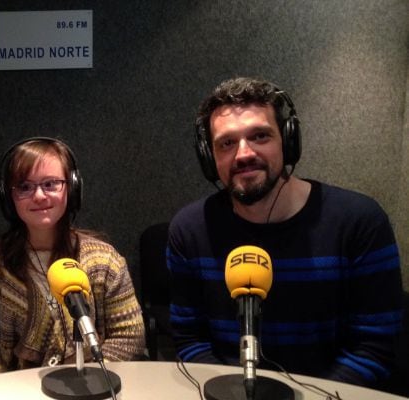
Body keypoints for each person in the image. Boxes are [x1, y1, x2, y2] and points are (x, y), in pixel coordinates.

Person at [168, 77, 403, 387]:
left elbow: (376, 348)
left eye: (260, 136)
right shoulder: (189, 230)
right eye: (227, 143)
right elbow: (189, 340)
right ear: (209, 157)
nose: (243, 154)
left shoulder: (360, 222)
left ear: (288, 141)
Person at [0, 137, 146, 379]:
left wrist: (87, 380)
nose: (39, 196)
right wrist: (11, 391)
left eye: (51, 184)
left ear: (72, 188)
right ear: (8, 198)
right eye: (25, 187)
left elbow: (130, 336)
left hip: (90, 389)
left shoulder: (106, 262)